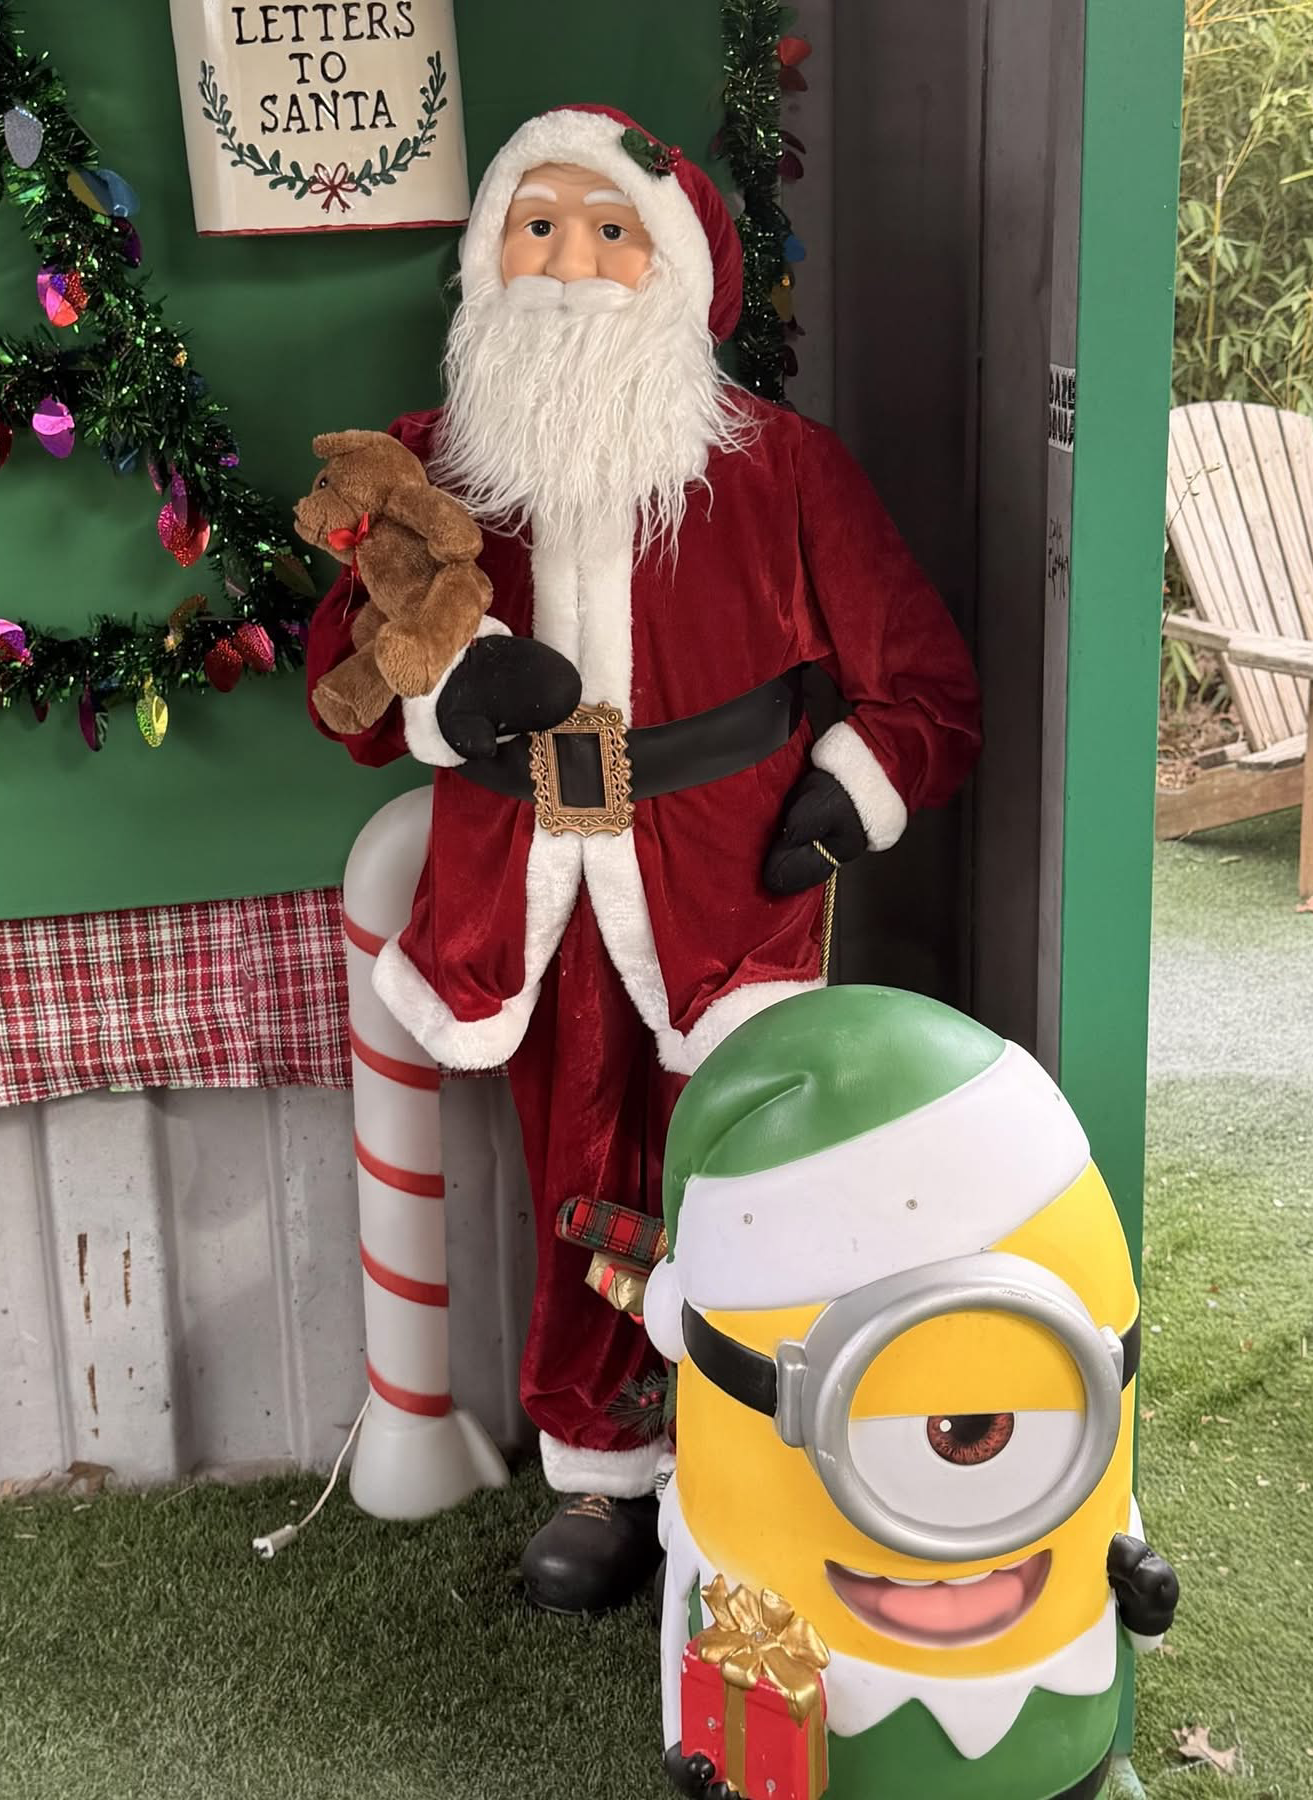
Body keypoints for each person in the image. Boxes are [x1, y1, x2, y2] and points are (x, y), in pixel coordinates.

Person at [305, 102, 982, 1615]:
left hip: (726, 894)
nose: (568, 263)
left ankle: (753, 1448)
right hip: (525, 894)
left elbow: (925, 686)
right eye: (536, 226)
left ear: (673, 267)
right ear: (489, 256)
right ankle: (601, 1470)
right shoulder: (428, 474)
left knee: (749, 1175)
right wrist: (441, 690)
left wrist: (852, 792)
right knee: (578, 1175)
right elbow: (340, 685)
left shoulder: (779, 469)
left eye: (610, 231)